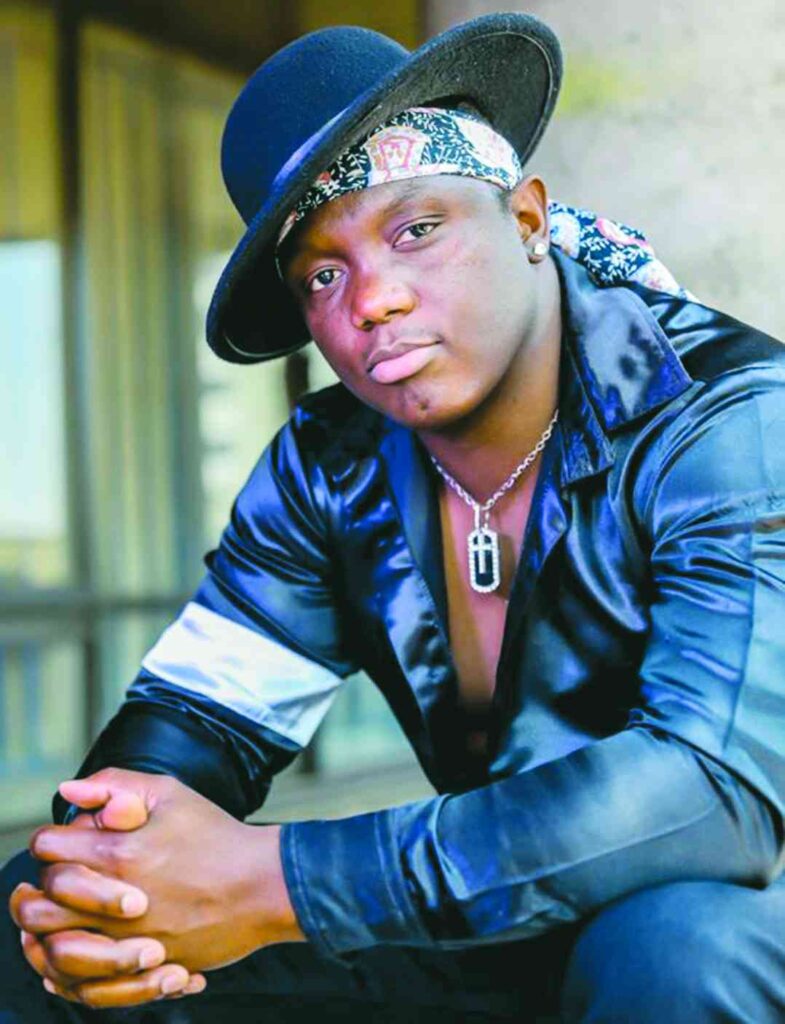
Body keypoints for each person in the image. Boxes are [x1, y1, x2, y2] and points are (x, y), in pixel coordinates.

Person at [4, 11, 785, 1023]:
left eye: (416, 230)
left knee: (675, 946)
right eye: (322, 274)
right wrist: (106, 876)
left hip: (730, 909)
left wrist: (275, 882)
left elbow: (711, 794)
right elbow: (196, 722)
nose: (370, 300)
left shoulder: (726, 417)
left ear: (525, 220)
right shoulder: (329, 467)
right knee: (39, 913)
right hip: (486, 923)